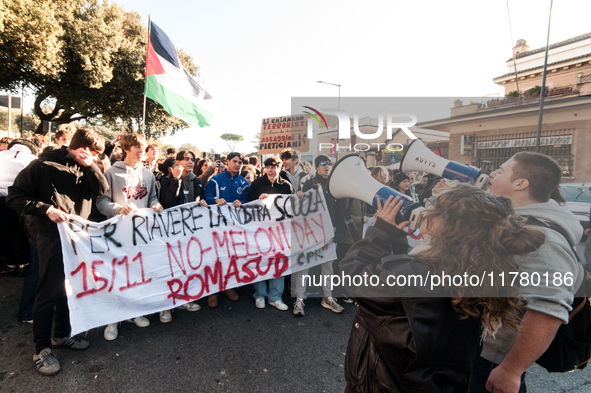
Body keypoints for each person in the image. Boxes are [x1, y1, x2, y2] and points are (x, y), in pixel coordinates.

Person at [340, 186, 545, 393]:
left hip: (386, 385)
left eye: (435, 207)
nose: (427, 210)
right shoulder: (476, 270)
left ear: (451, 226)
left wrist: (381, 230)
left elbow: (352, 275)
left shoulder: (414, 276)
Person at [467, 152, 585, 393]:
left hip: (491, 363)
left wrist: (511, 370)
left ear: (521, 184)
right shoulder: (519, 221)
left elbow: (547, 310)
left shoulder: (544, 238)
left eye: (501, 170)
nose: (492, 174)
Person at [6, 128, 108, 376]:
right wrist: (46, 209)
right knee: (48, 291)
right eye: (93, 153)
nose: (94, 157)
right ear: (82, 148)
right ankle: (41, 349)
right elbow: (15, 196)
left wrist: (92, 166)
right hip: (51, 236)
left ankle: (62, 335)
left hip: (78, 237)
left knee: (68, 288)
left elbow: (102, 191)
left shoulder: (86, 167)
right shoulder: (41, 165)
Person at [96, 133, 163, 341]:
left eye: (143, 146)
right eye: (137, 147)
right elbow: (101, 202)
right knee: (117, 274)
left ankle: (134, 312)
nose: (142, 150)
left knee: (137, 272)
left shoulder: (148, 174)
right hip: (118, 234)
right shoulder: (110, 173)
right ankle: (113, 318)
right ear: (126, 148)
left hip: (142, 234)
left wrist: (155, 204)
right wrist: (117, 209)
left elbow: (151, 196)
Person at [157, 150, 205, 322]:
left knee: (186, 267)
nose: (190, 162)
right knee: (169, 269)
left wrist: (203, 202)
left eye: (192, 160)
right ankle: (166, 307)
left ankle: (184, 299)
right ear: (177, 163)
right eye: (186, 159)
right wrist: (176, 180)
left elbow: (201, 200)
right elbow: (167, 202)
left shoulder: (197, 181)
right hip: (171, 232)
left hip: (190, 232)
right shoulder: (165, 180)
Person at [293, 155, 344, 316]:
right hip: (312, 231)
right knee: (305, 265)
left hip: (331, 230)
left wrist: (339, 230)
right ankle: (299, 299)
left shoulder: (335, 184)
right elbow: (303, 207)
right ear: (317, 166)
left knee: (328, 266)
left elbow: (341, 209)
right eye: (324, 163)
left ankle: (328, 297)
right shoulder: (309, 183)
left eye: (329, 163)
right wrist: (301, 195)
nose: (327, 166)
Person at [246, 156, 294, 311]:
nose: (271, 170)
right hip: (260, 231)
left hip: (279, 232)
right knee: (260, 262)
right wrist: (257, 200)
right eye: (268, 167)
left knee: (278, 263)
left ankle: (275, 297)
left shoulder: (286, 185)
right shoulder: (257, 184)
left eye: (274, 167)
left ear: (280, 168)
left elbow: (293, 207)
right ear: (264, 168)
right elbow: (248, 205)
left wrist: (299, 197)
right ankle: (260, 295)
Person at [204, 151, 250, 307]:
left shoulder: (244, 183)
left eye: (240, 162)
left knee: (231, 257)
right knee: (214, 258)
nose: (237, 164)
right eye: (234, 161)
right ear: (228, 161)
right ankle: (213, 292)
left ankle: (228, 287)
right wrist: (215, 200)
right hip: (216, 227)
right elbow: (206, 198)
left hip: (234, 228)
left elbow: (246, 203)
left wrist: (241, 203)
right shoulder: (215, 180)